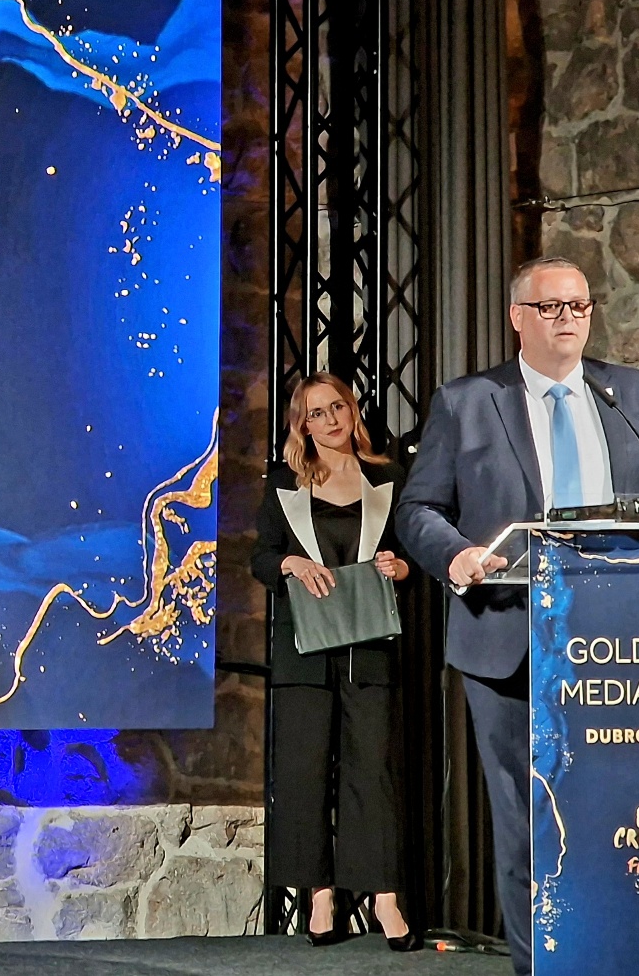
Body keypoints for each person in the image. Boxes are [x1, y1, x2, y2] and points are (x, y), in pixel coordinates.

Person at [394, 256, 639, 974]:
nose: (568, 318)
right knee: (529, 822)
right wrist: (458, 555)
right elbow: (418, 509)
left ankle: (625, 955)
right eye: (550, 307)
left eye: (579, 305)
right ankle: (540, 965)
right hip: (508, 638)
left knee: (624, 815)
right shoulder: (467, 402)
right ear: (518, 317)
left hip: (625, 641)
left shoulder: (636, 396)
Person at [251, 372, 417, 950]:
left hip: (368, 645)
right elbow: (261, 558)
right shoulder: (284, 483)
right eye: (315, 413)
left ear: (352, 411)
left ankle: (384, 899)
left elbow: (410, 557)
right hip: (303, 648)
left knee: (372, 770)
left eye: (337, 407)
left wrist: (400, 568)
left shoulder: (388, 478)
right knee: (303, 772)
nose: (329, 420)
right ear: (302, 426)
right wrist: (291, 565)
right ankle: (319, 897)